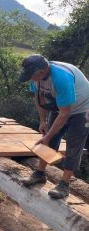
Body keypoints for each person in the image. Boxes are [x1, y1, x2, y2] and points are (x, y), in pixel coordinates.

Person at [18, 54, 89, 199]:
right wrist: (43, 121)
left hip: (82, 109)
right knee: (48, 140)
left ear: (41, 72)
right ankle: (39, 174)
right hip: (60, 106)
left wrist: (48, 135)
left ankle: (64, 184)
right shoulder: (36, 77)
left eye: (31, 76)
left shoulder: (61, 78)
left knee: (74, 146)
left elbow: (65, 113)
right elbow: (39, 99)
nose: (30, 79)